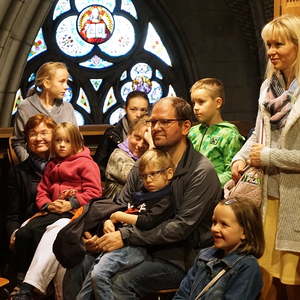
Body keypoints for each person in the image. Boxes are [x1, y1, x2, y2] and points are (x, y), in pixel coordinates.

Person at [63, 97, 222, 299]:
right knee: (78, 262)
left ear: (185, 126)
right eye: (153, 122)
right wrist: (106, 227)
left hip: (177, 257)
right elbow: (121, 204)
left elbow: (180, 228)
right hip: (137, 246)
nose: (156, 127)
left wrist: (125, 236)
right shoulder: (145, 164)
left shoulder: (201, 171)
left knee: (117, 280)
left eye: (165, 122)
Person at [231, 15, 300, 300]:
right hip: (268, 196)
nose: (271, 51)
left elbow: (267, 150)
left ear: (297, 46)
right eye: (268, 45)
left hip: (294, 198)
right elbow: (258, 135)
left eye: (278, 44)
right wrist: (240, 157)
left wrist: (269, 156)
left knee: (293, 281)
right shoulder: (268, 87)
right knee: (263, 276)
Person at [13, 122, 102, 299]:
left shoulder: (86, 164)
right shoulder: (51, 165)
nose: (61, 145)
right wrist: (48, 204)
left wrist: (72, 203)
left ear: (76, 142)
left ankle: (31, 288)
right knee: (23, 233)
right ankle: (20, 280)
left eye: (67, 141)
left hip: (74, 214)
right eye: (58, 141)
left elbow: (94, 192)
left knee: (49, 234)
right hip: (52, 211)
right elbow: (42, 192)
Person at [77, 149, 175, 300]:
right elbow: (124, 210)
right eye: (143, 176)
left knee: (99, 275)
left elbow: (148, 221)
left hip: (135, 245)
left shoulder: (166, 198)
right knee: (87, 276)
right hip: (118, 239)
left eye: (153, 174)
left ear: (168, 174)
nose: (148, 180)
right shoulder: (141, 194)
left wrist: (118, 216)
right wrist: (109, 221)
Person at [173, 198, 265, 299]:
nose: (214, 228)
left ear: (245, 232)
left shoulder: (247, 267)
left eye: (224, 224)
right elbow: (182, 294)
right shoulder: (204, 255)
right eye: (214, 222)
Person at [6, 114, 56, 290]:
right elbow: (11, 213)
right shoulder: (18, 172)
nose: (38, 138)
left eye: (44, 132)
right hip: (30, 231)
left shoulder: (66, 166)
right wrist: (13, 233)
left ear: (54, 135)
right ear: (27, 139)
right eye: (33, 134)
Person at [12, 61, 77, 162]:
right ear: (46, 83)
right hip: (34, 170)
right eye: (62, 81)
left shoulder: (67, 108)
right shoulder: (25, 107)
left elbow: (76, 140)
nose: (66, 86)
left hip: (63, 169)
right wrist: (30, 165)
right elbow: (18, 142)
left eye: (67, 82)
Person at [188, 78, 244, 187]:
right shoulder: (193, 132)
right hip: (190, 189)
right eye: (194, 103)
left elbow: (231, 171)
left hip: (215, 191)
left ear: (218, 103)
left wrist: (206, 184)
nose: (195, 108)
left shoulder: (229, 134)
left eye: (201, 102)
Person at [94, 91, 149, 180]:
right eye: (133, 109)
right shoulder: (112, 134)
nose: (138, 114)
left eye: (143, 110)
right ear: (125, 109)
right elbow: (98, 167)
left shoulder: (152, 132)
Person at [105, 117, 151, 198]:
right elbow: (139, 181)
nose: (140, 145)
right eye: (137, 138)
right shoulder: (118, 156)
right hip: (116, 207)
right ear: (129, 135)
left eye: (146, 141)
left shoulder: (149, 156)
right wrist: (151, 148)